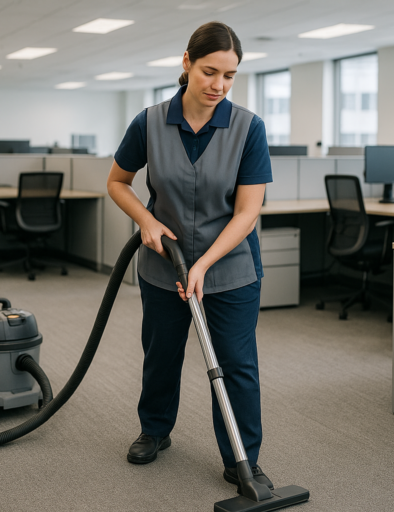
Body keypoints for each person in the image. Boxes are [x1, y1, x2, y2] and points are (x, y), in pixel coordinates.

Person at [106, 21, 273, 491]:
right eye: (209, 71)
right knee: (161, 355)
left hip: (232, 271)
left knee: (237, 365)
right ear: (186, 63)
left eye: (230, 75)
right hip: (164, 265)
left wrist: (202, 264)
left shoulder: (248, 128)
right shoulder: (150, 122)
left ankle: (243, 458)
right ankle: (155, 431)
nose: (219, 85)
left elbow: (247, 214)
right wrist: (146, 219)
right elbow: (117, 183)